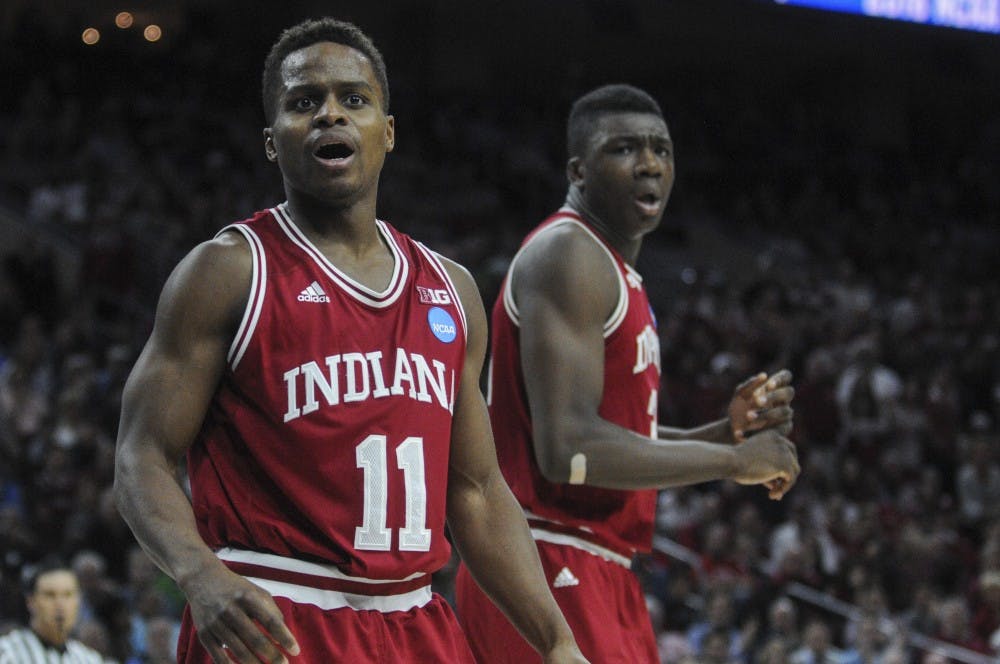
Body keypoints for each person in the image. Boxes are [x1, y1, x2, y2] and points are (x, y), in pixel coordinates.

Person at [113, 17, 586, 664]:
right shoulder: (228, 272)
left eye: (353, 99)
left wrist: (557, 641)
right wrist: (199, 574)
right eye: (304, 102)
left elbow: (475, 491)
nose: (329, 114)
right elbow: (141, 454)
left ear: (386, 132)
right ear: (272, 142)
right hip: (273, 614)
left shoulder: (451, 289)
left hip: (415, 621)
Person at [455, 84, 800, 663]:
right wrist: (734, 462)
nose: (649, 164)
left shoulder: (613, 269)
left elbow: (609, 437)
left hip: (595, 564)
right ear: (578, 171)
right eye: (624, 148)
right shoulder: (570, 253)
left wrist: (723, 435)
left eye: (661, 149)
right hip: (544, 559)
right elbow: (568, 450)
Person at [0, 559, 108, 663]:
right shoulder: (7, 652)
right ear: (31, 602)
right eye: (50, 595)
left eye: (68, 595)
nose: (60, 604)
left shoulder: (89, 659)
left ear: (78, 601)